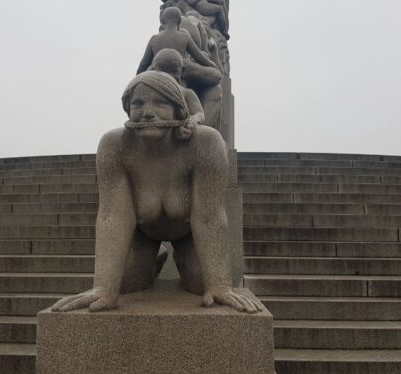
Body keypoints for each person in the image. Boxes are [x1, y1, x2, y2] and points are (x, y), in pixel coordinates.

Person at [51, 71, 261, 314]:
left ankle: (184, 258)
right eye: (138, 103)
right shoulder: (114, 146)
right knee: (127, 283)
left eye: (160, 103)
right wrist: (104, 287)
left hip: (188, 231)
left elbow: (209, 216)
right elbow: (113, 216)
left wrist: (220, 284)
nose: (147, 111)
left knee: (201, 284)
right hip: (143, 231)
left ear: (178, 110)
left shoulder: (206, 144)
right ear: (128, 110)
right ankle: (156, 256)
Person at [137, 7, 217, 75]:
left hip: (157, 74)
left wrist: (137, 77)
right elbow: (200, 57)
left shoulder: (154, 39)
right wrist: (212, 64)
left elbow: (143, 64)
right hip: (177, 75)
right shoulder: (184, 37)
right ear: (179, 22)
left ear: (163, 22)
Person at [151, 49, 206, 129]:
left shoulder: (186, 93)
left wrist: (194, 119)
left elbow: (199, 113)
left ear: (182, 71)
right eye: (162, 72)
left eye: (174, 72)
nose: (168, 76)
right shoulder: (149, 90)